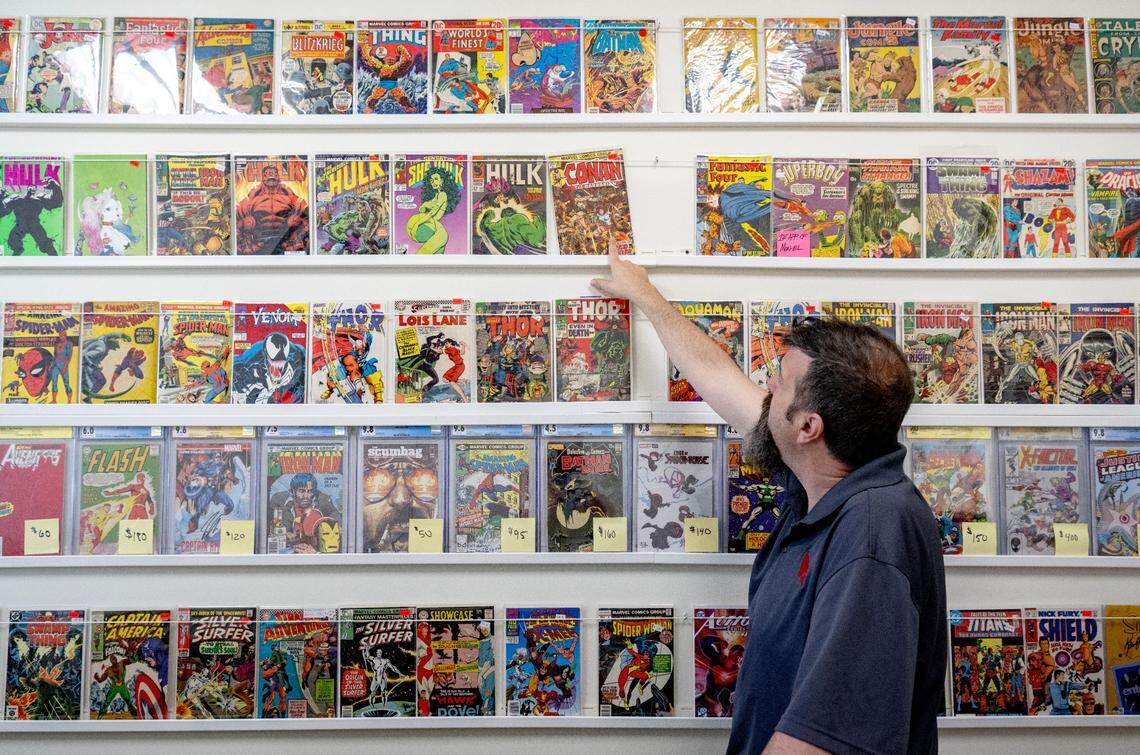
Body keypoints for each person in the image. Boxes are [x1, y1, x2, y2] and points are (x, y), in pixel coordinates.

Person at [592, 242, 947, 754]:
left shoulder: (871, 538)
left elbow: (822, 743)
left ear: (808, 426)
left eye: (777, 385)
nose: (765, 391)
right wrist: (646, 295)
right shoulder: (826, 477)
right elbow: (718, 376)